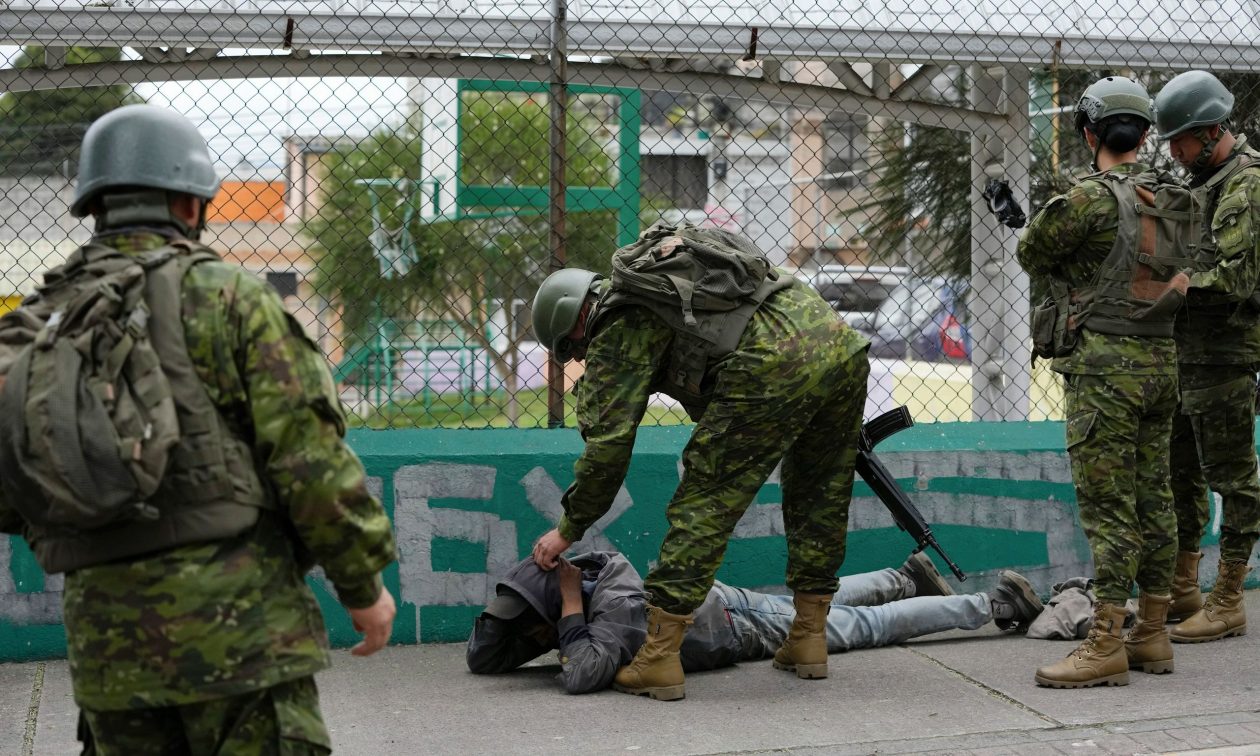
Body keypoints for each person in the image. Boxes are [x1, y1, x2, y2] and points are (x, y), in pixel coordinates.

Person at [0, 104, 398, 753]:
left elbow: (15, 489)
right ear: (191, 203)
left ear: (93, 204)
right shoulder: (227, 296)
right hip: (243, 641)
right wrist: (361, 585)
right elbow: (309, 460)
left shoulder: (43, 320)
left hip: (109, 656)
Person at [529, 224, 870, 699]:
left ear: (573, 322)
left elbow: (608, 447)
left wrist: (569, 528)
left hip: (769, 363)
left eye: (574, 348)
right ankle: (809, 638)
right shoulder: (661, 286)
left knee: (705, 503)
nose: (582, 357)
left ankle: (659, 657)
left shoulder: (620, 320)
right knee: (820, 492)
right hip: (839, 346)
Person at [1016, 76, 1192, 688]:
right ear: (1144, 133)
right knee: (1156, 498)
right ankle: (1152, 632)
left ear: (1090, 134)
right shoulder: (1175, 198)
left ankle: (1106, 642)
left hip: (1104, 374)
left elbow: (1033, 253)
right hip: (1160, 364)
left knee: (1110, 507)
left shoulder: (1088, 199)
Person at [467, 551, 1044, 695]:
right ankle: (903, 576)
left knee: (858, 628)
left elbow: (580, 674)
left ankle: (993, 605)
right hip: (721, 605)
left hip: (730, 624)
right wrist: (516, 612)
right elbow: (484, 657)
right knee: (811, 606)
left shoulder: (611, 607)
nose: (534, 636)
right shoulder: (588, 588)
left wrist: (567, 608)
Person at [1152, 70, 1260, 644]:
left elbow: (1238, 278)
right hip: (1186, 353)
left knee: (1233, 477)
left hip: (1223, 356)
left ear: (1212, 129)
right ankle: (1184, 583)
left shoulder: (1246, 184)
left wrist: (1178, 285)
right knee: (1180, 472)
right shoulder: (1205, 181)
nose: (1174, 152)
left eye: (1181, 140)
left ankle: (1229, 598)